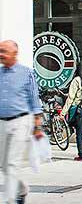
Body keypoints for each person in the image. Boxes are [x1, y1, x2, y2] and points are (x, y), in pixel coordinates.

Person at [0, 40, 44, 204]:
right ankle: (22, 189)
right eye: (0, 51)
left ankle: (9, 200)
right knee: (4, 165)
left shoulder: (26, 73)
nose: (1, 54)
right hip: (2, 123)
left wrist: (37, 126)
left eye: (4, 51)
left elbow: (35, 100)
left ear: (14, 53)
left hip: (21, 121)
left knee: (12, 163)